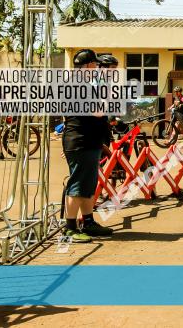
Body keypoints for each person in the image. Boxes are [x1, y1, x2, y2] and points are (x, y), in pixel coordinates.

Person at [61, 49, 113, 242]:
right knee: (78, 185)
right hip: (80, 141)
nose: (98, 68)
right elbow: (98, 112)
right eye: (96, 64)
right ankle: (70, 227)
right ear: (88, 65)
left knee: (88, 185)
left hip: (88, 140)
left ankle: (88, 222)